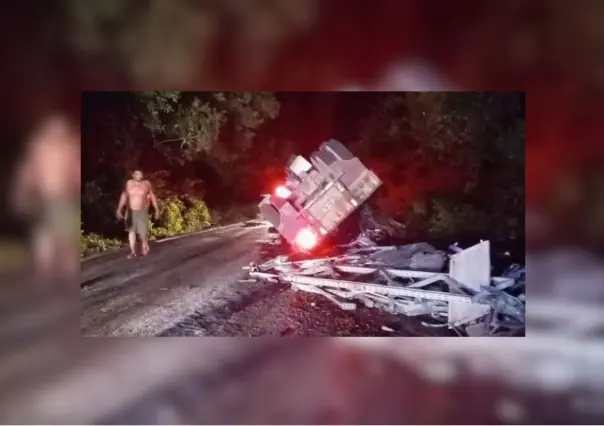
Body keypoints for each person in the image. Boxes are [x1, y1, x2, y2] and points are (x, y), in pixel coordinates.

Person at [10, 115, 81, 284]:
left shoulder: (56, 148)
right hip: (49, 197)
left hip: (57, 197)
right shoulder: (47, 148)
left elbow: (27, 172)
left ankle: (53, 274)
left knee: (53, 235)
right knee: (50, 235)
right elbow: (27, 172)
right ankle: (51, 274)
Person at [115, 170, 159, 258]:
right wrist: (119, 209)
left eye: (140, 174)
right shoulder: (129, 183)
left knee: (142, 233)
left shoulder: (146, 184)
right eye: (136, 174)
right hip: (130, 211)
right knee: (131, 231)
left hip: (142, 211)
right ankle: (132, 251)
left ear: (142, 176)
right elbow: (124, 195)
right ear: (133, 175)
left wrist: (156, 209)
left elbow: (152, 195)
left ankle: (144, 243)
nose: (139, 175)